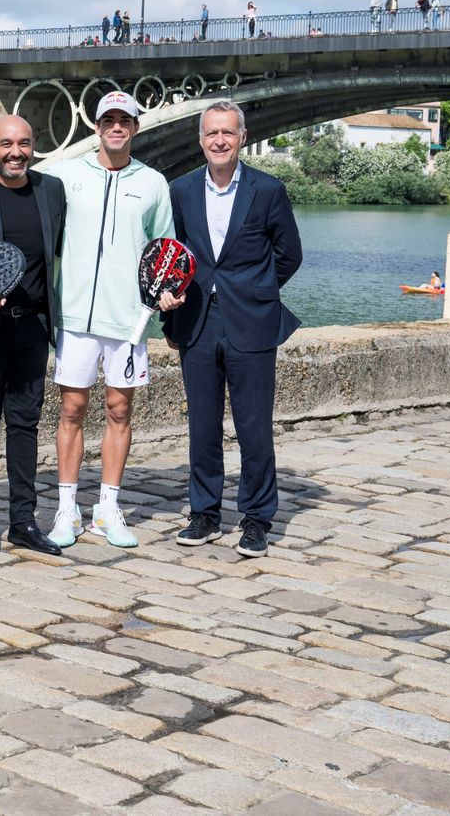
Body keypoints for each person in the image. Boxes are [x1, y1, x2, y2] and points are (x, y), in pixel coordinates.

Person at [167, 101, 303, 558]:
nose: (219, 141)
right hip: (199, 322)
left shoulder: (268, 190)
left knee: (254, 428)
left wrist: (253, 291)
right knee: (202, 426)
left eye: (228, 132)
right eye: (211, 134)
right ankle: (204, 513)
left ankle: (257, 519)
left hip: (252, 321)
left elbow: (289, 255)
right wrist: (171, 313)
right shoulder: (181, 191)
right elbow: (173, 258)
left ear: (242, 137)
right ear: (200, 140)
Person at [42, 90, 173, 551]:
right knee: (72, 409)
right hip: (75, 316)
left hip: (129, 319)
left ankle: (108, 508)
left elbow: (165, 249)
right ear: (96, 127)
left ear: (135, 128)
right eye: (109, 120)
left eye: (125, 120)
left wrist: (169, 291)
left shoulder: (155, 183)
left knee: (119, 409)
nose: (116, 127)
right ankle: (66, 507)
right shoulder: (63, 174)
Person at [0, 115, 67, 557]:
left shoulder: (51, 191)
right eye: (6, 144)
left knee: (26, 426)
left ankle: (23, 521)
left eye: (24, 143)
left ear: (34, 146)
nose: (15, 152)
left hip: (32, 326)